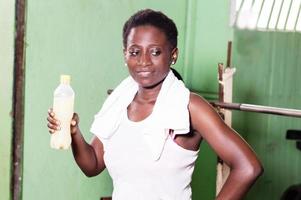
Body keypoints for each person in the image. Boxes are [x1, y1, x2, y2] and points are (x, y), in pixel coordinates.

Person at [47, 9, 263, 200]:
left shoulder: (189, 107)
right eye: (135, 51)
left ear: (173, 55)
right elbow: (92, 165)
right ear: (125, 55)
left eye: (155, 51)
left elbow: (248, 167)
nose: (143, 61)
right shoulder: (118, 103)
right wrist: (73, 132)